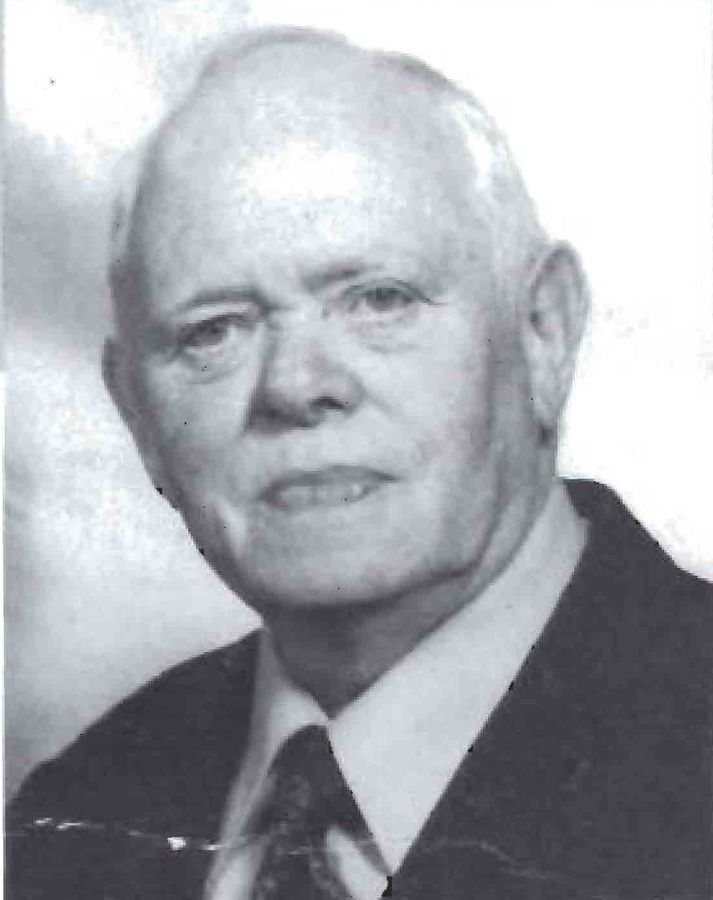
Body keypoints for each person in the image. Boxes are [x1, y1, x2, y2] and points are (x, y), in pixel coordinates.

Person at [6, 26, 712, 900]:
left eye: (379, 299)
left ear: (543, 331)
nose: (296, 385)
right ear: (136, 413)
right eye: (212, 331)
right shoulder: (69, 816)